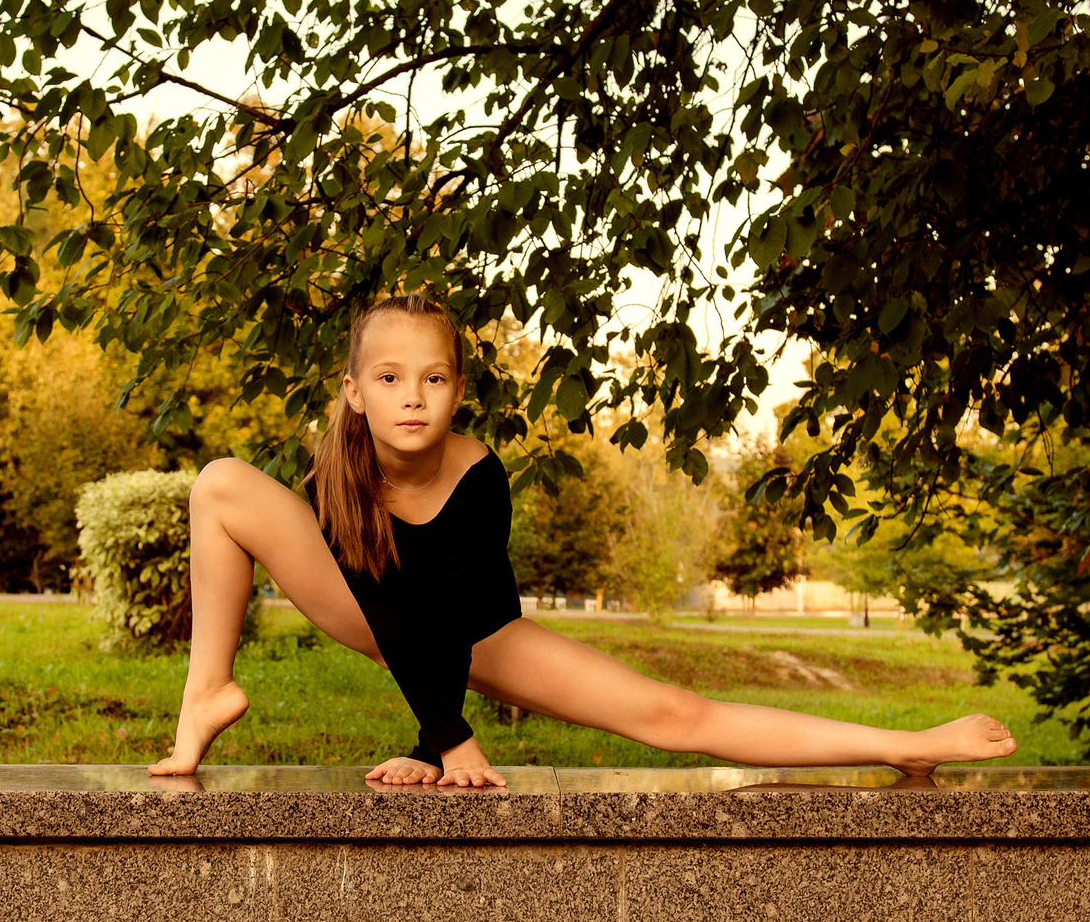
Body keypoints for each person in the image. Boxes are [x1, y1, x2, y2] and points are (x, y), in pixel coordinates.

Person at [150, 291, 1019, 788]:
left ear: (458, 391)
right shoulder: (336, 473)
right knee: (221, 482)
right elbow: (387, 606)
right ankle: (207, 694)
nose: (411, 397)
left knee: (675, 713)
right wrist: (446, 741)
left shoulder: (479, 478)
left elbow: (448, 622)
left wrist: (434, 741)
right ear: (353, 392)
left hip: (476, 635)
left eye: (434, 377)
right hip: (371, 613)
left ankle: (908, 743)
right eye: (388, 378)